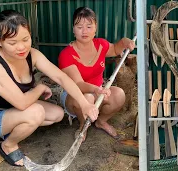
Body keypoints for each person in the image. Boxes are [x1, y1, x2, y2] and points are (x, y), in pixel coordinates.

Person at [0, 10, 99, 167]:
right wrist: (40, 88)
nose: (21, 47)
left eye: (25, 39)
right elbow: (22, 104)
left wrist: (84, 103)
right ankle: (8, 145)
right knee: (36, 113)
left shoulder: (32, 54)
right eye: (12, 43)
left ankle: (11, 129)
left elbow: (61, 77)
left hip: (13, 109)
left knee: (57, 114)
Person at [58, 7, 135, 140]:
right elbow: (78, 84)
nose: (84, 31)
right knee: (87, 97)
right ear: (73, 29)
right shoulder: (66, 55)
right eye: (79, 26)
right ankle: (83, 126)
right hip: (75, 95)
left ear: (95, 28)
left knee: (119, 95)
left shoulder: (101, 45)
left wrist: (124, 41)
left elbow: (116, 49)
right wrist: (97, 90)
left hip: (98, 91)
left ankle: (101, 121)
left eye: (89, 26)